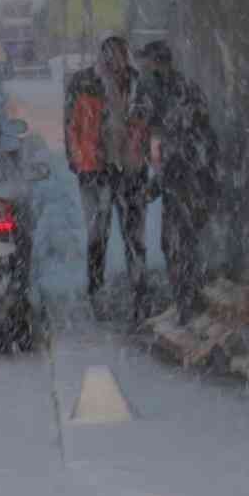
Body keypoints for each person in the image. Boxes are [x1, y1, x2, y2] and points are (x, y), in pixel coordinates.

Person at [64, 36, 150, 321]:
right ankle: (96, 289)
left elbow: (147, 126)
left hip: (130, 170)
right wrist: (79, 162)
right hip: (95, 171)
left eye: (119, 62)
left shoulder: (138, 85)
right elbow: (71, 128)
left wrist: (142, 157)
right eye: (110, 61)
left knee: (133, 234)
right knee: (97, 233)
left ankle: (139, 291)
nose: (115, 68)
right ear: (101, 60)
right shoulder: (83, 84)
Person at [134, 40, 220, 325]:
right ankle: (186, 301)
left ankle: (187, 303)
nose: (145, 72)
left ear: (159, 64)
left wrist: (156, 186)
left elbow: (180, 148)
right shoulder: (170, 92)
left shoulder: (178, 95)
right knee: (179, 244)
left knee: (179, 245)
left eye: (148, 65)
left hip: (188, 183)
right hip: (184, 182)